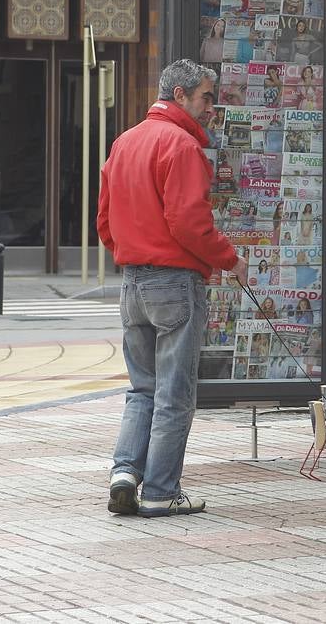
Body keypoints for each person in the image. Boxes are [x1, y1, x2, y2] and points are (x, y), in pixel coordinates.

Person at [97, 59, 248, 518]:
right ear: (179, 95)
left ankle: (125, 473)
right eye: (205, 97)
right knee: (174, 393)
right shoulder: (181, 146)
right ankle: (161, 490)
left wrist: (128, 251)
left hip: (133, 280)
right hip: (174, 281)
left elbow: (105, 220)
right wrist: (228, 258)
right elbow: (189, 222)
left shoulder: (125, 142)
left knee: (142, 387)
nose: (210, 107)